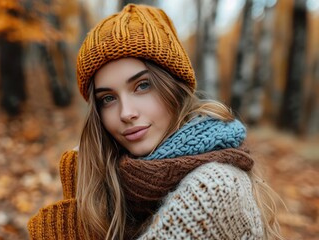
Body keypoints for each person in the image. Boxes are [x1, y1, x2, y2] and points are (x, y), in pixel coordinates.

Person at [28, 4, 283, 240]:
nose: (126, 113)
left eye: (142, 85)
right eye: (108, 98)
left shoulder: (212, 189)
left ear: (174, 86)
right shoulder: (121, 180)